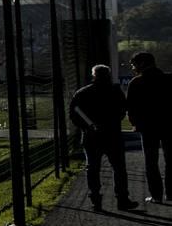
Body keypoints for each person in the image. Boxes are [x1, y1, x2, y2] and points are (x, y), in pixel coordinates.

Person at [69, 63, 136, 211]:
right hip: (112, 135)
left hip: (91, 136)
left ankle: (95, 199)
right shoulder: (115, 91)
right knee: (119, 168)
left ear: (94, 75)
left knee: (93, 168)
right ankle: (122, 199)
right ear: (108, 75)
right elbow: (123, 110)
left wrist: (87, 127)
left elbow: (74, 114)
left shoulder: (83, 93)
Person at [126, 51, 171, 203]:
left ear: (142, 64)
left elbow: (131, 108)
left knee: (151, 162)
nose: (133, 68)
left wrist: (135, 123)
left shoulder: (136, 83)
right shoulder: (168, 79)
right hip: (169, 125)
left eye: (134, 65)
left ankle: (156, 195)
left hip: (148, 127)